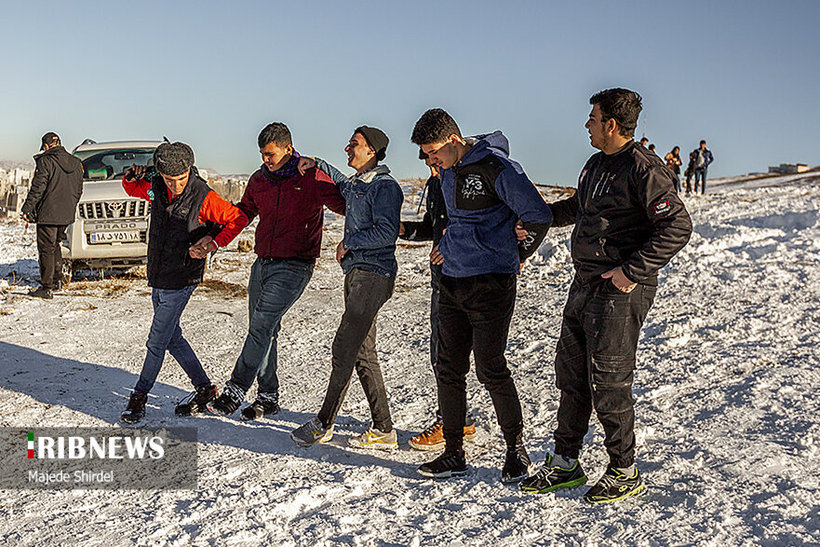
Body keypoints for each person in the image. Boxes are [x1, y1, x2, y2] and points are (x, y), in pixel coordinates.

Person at [519, 88, 692, 503]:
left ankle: (624, 470)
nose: (587, 125)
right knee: (572, 375)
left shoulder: (644, 168)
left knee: (609, 381)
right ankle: (565, 462)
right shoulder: (596, 164)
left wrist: (631, 271)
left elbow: (677, 226)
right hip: (584, 284)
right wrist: (536, 216)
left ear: (611, 124)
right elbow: (580, 208)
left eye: (592, 119)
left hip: (619, 291)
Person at [410, 109, 553, 483]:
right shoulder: (446, 173)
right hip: (452, 281)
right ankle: (454, 453)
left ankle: (515, 450)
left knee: (490, 368)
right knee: (449, 369)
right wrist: (447, 246)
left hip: (491, 283)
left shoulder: (497, 167)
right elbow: (453, 224)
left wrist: (516, 256)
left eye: (433, 153)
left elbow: (538, 215)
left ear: (454, 140)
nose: (430, 162)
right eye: (425, 156)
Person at [208, 123, 346, 421]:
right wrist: (216, 240)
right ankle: (268, 397)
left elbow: (348, 205)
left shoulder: (311, 175)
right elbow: (243, 213)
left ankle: (235, 389)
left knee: (261, 326)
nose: (265, 160)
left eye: (270, 154)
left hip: (295, 265)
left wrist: (355, 239)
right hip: (262, 264)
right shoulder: (259, 179)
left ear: (288, 148)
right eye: (262, 154)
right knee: (263, 331)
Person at [291, 126, 403, 450]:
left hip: (374, 275)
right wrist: (317, 162)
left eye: (354, 144)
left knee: (344, 348)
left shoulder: (386, 187)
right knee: (363, 352)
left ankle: (324, 422)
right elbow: (341, 181)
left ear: (372, 151)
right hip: (357, 274)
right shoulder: (358, 184)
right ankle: (383, 428)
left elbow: (386, 232)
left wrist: (349, 241)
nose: (348, 148)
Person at [119, 142, 247, 424]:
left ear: (190, 170)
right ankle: (205, 389)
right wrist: (130, 177)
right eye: (169, 180)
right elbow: (133, 189)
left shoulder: (203, 196)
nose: (176, 186)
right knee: (172, 337)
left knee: (156, 341)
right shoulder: (157, 188)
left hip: (183, 277)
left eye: (181, 179)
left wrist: (213, 242)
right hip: (160, 274)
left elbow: (238, 218)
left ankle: (139, 398)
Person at [400, 154, 478, 450]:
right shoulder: (436, 185)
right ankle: (459, 419)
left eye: (436, 164)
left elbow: (472, 229)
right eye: (429, 167)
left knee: (450, 354)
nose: (433, 171)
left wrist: (452, 248)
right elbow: (432, 227)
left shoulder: (466, 184)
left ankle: (451, 422)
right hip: (441, 279)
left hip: (465, 278)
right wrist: (406, 230)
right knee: (440, 352)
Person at [21, 132, 84, 299]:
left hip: (48, 212)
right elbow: (79, 190)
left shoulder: (46, 161)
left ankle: (46, 287)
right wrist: (70, 206)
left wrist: (27, 209)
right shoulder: (76, 163)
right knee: (55, 245)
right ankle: (57, 280)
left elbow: (38, 188)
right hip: (66, 213)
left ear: (47, 146)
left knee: (46, 249)